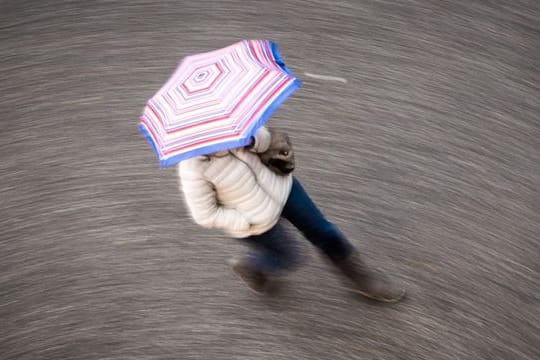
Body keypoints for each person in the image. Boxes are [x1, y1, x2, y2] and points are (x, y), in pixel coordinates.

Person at [178, 126, 405, 302]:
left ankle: (360, 277)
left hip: (283, 189)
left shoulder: (235, 126)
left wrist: (253, 139)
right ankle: (253, 266)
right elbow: (204, 215)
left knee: (324, 231)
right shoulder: (193, 169)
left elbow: (266, 139)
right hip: (256, 222)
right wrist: (245, 220)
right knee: (291, 257)